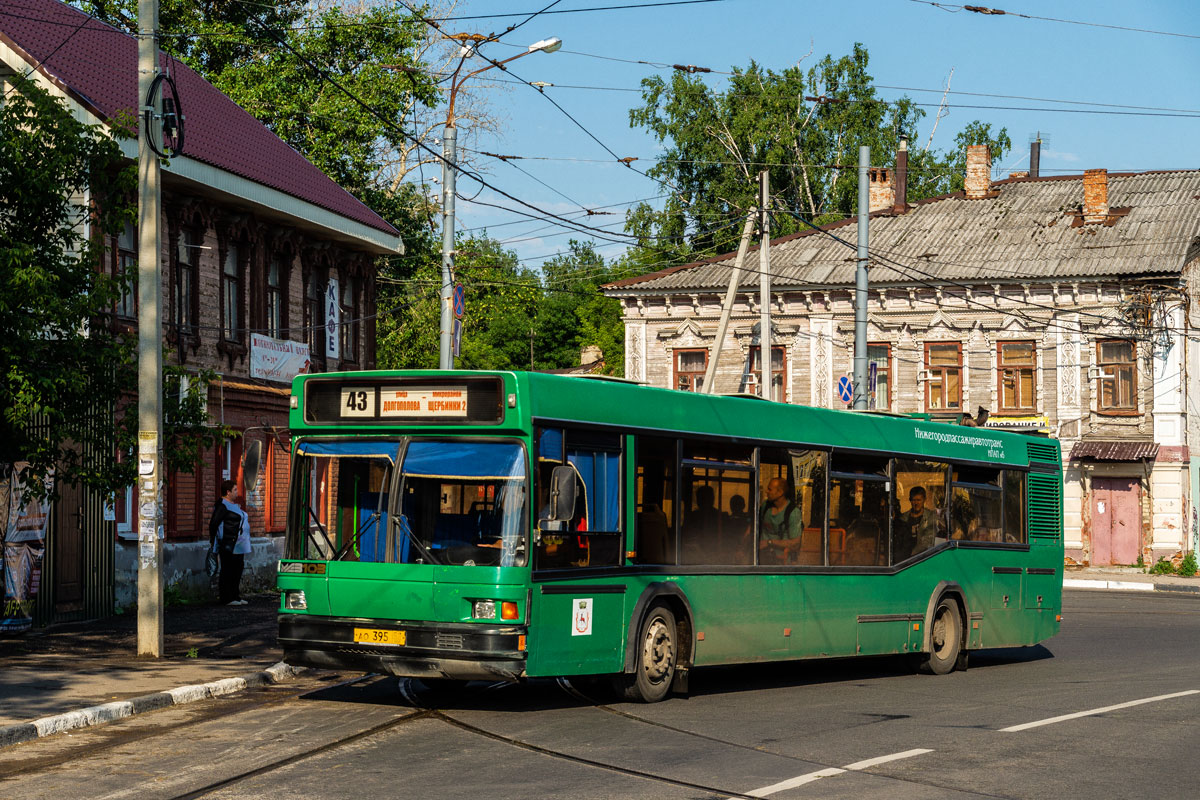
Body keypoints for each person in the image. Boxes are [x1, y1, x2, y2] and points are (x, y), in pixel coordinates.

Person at [209, 479, 251, 606]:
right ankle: (226, 598)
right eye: (235, 490)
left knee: (237, 570)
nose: (237, 492)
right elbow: (214, 524)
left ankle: (235, 596)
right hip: (229, 544)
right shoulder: (222, 505)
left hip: (239, 545)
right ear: (228, 492)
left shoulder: (234, 505)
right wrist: (214, 542)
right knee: (228, 570)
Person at [759, 477, 802, 563]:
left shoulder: (793, 513)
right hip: (763, 560)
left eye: (770, 489)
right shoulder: (765, 506)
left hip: (781, 563)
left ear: (780, 492)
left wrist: (769, 542)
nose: (766, 491)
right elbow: (754, 526)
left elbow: (796, 543)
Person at [897, 486, 941, 558]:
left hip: (922, 557)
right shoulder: (903, 518)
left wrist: (914, 555)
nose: (916, 503)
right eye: (914, 500)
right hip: (904, 559)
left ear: (924, 500)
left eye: (919, 500)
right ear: (910, 501)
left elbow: (928, 540)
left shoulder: (931, 517)